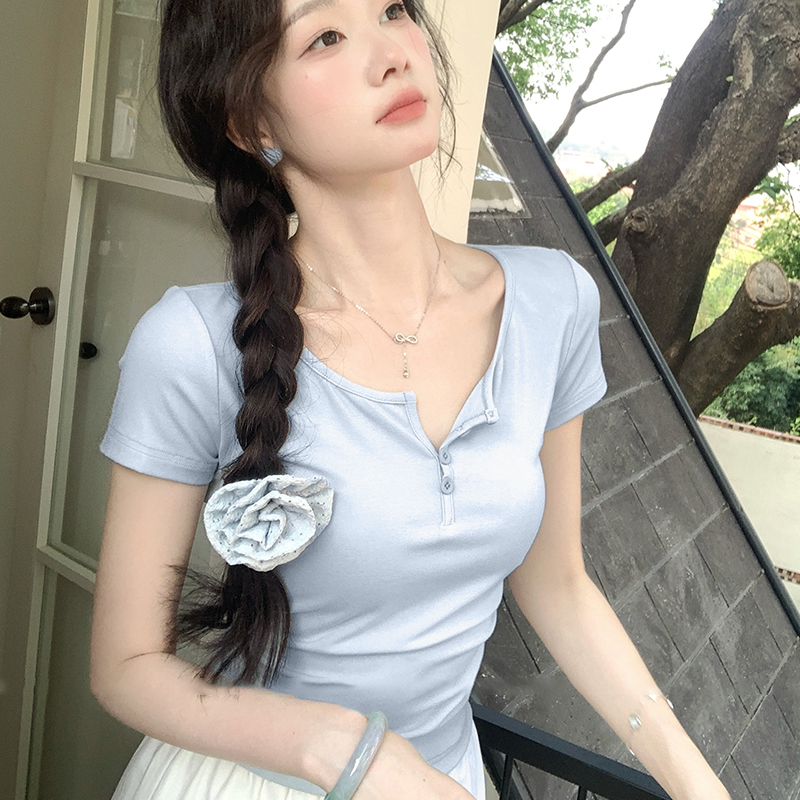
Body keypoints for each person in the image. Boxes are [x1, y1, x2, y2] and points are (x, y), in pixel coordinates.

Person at [89, 0, 733, 798]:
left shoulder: (552, 301)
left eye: (393, 9)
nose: (393, 52)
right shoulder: (190, 342)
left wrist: (696, 781)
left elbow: (559, 585)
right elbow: (125, 667)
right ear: (251, 121)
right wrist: (344, 751)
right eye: (326, 36)